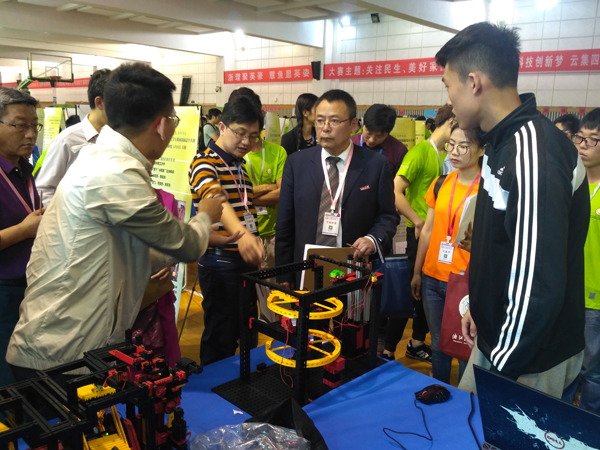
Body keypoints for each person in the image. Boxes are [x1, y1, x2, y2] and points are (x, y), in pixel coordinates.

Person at [6, 63, 223, 379]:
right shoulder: (116, 172)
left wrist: (198, 236)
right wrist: (205, 215)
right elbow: (185, 246)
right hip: (63, 354)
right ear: (161, 125)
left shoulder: (103, 158)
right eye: (173, 120)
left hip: (68, 343)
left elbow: (123, 251)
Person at [436, 22, 588, 398]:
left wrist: (501, 363)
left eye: (448, 85)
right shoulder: (501, 143)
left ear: (474, 82)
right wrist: (480, 308)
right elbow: (501, 247)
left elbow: (538, 285)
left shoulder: (534, 155)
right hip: (501, 336)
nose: (449, 99)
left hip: (528, 356)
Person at [275, 89, 399, 288]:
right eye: (320, 121)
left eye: (334, 121)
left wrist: (372, 239)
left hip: (354, 270)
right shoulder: (296, 164)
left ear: (353, 124)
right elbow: (284, 223)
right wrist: (284, 274)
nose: (325, 128)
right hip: (306, 270)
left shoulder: (375, 165)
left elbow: (388, 216)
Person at [189, 94, 265, 366]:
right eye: (240, 133)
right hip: (220, 263)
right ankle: (213, 388)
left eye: (253, 136)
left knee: (247, 332)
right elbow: (216, 200)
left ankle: (242, 384)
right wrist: (243, 236)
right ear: (221, 127)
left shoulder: (240, 166)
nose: (247, 142)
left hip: (244, 263)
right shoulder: (204, 162)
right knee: (220, 338)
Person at [411, 124, 484, 384]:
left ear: (482, 149)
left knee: (465, 345)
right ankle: (439, 389)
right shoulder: (441, 183)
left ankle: (463, 398)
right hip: (432, 276)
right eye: (451, 145)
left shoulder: (487, 189)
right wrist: (417, 271)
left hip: (464, 281)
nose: (454, 151)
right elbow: (427, 230)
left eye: (463, 146)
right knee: (438, 342)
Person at [382, 104, 455, 364]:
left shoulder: (446, 155)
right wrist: (418, 220)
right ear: (451, 122)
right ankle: (388, 350)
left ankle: (416, 342)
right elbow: (395, 190)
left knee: (428, 291)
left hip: (440, 236)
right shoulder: (419, 152)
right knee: (408, 292)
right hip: (419, 233)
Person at [0, 88, 44, 386]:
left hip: (30, 287)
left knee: (26, 372)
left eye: (34, 125)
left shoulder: (24, 169)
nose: (30, 134)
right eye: (20, 125)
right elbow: (24, 227)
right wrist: (24, 230)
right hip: (3, 289)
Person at [35, 69, 111, 206]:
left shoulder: (118, 137)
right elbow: (44, 190)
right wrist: (65, 216)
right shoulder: (67, 141)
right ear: (100, 103)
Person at [566, 108, 600, 413]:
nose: (583, 145)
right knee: (564, 363)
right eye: (580, 138)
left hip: (595, 299)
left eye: (593, 140)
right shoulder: (570, 182)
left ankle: (587, 427)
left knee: (591, 371)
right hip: (566, 290)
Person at [350, 103, 408, 176]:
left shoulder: (399, 151)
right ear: (363, 124)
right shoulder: (349, 143)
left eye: (379, 136)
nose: (371, 140)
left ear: (388, 133)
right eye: (369, 133)